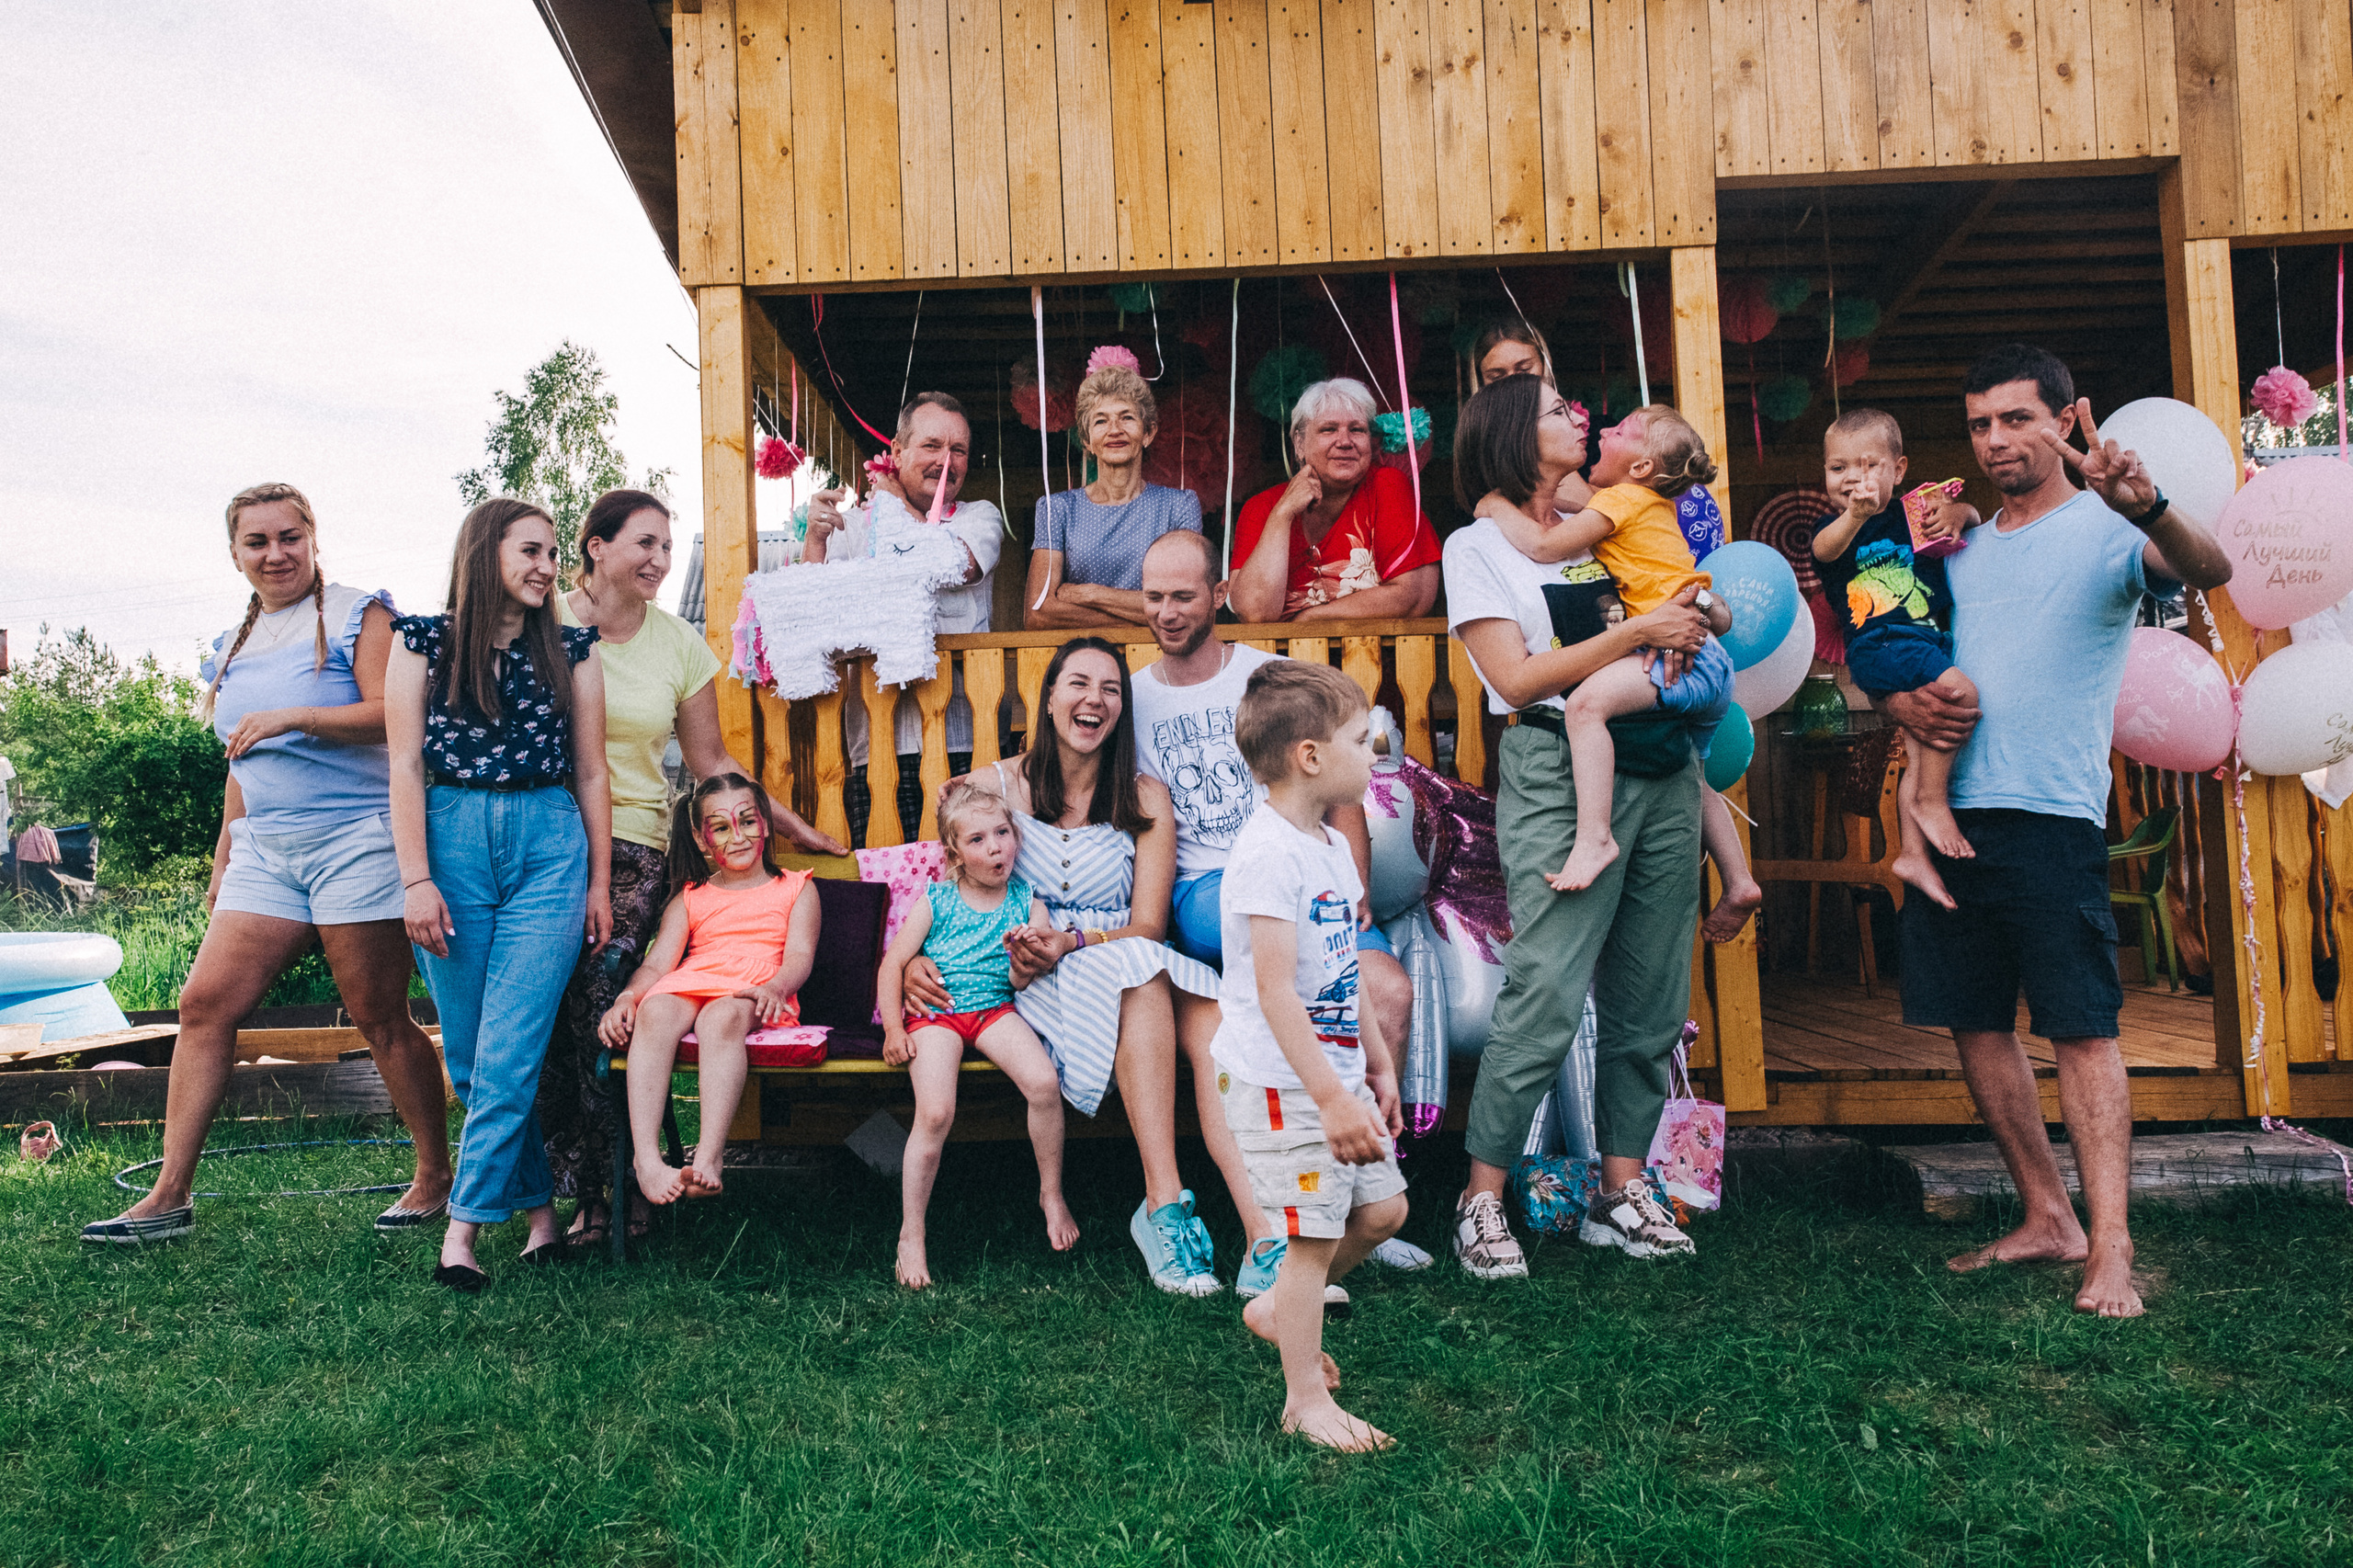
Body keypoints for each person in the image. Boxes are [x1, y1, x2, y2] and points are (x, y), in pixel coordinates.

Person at [1880, 345, 2231, 1319]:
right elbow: (1910, 650)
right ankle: (2046, 1213)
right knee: (1973, 1019)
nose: (1995, 439)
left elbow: (2211, 567)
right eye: (1980, 423)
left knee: (2080, 1029)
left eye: (2015, 419)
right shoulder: (1959, 547)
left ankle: (2110, 1247)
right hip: (1948, 812)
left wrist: (2147, 502)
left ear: (2065, 418)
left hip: (2049, 816)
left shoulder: (2108, 529)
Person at [80, 483, 453, 1245]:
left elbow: (394, 713)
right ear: (236, 554)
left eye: (289, 537)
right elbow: (238, 761)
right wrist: (226, 852)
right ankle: (169, 1194)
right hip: (267, 849)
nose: (276, 554)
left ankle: (434, 1175)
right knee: (204, 1003)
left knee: (378, 1015)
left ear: (313, 538)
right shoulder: (235, 642)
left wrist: (293, 715)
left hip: (357, 837)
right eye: (258, 542)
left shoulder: (361, 611)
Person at [1443, 375, 1716, 1278]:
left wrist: (1701, 610)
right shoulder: (1478, 546)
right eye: (1560, 410)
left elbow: (1685, 590)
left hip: (1661, 759)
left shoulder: (1613, 512)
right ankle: (1480, 1197)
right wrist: (1641, 628)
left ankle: (1621, 1188)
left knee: (1649, 992)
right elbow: (1516, 680)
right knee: (1547, 990)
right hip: (1557, 766)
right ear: (1517, 436)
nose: (1580, 418)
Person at [547, 488, 844, 1253]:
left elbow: (712, 761)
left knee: (599, 1000)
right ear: (595, 548)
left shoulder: (680, 644)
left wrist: (792, 823)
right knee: (552, 1015)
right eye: (643, 544)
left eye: (666, 549)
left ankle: (617, 1189)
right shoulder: (544, 625)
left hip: (635, 847)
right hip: (547, 842)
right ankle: (598, 1185)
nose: (657, 561)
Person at [1131, 528, 1428, 1289]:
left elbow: (1344, 782)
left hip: (1310, 875)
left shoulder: (1272, 680)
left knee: (1385, 988)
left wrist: (1352, 897)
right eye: (1154, 597)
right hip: (1211, 889)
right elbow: (1053, 758)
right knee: (1265, 998)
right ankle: (1289, 1229)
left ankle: (1362, 1197)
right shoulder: (1135, 697)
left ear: (1218, 593)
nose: (1167, 612)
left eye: (1183, 596)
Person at [933, 637, 1223, 1295]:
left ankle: (1207, 1212)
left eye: (1111, 689)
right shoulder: (992, 787)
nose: (1094, 699)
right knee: (1141, 978)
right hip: (1024, 976)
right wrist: (920, 959)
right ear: (1052, 697)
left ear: (1122, 708)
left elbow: (1147, 924)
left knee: (1170, 990)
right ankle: (1165, 1206)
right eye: (1078, 684)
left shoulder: (1145, 796)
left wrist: (1071, 941)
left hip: (1106, 950)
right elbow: (950, 886)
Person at [388, 497, 612, 1292]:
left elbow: (591, 770)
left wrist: (599, 881)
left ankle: (463, 1232)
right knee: (478, 1060)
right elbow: (406, 767)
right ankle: (540, 1215)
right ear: (485, 552)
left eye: (553, 554)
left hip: (549, 846)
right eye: (532, 551)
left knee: (512, 1048)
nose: (548, 567)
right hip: (449, 846)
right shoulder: (421, 641)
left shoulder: (574, 650)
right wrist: (416, 879)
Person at [1216, 659, 1407, 1453]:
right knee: (1312, 1240)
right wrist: (1331, 1097)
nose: (1377, 751)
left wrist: (1376, 1063)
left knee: (1383, 1211)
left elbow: (1341, 963)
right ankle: (1304, 1401)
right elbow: (1275, 992)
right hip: (1281, 1082)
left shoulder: (1328, 842)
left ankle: (1276, 1309)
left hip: (1332, 1073)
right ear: (1310, 756)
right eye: (1363, 740)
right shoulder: (1268, 855)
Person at [1478, 402, 1735, 893]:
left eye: (1619, 429)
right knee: (1696, 773)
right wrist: (1703, 607)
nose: (1600, 427)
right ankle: (1739, 879)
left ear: (1639, 469)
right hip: (1708, 659)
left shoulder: (1621, 500)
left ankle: (1595, 836)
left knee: (1585, 706)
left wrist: (1494, 506)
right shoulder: (1649, 505)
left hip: (1685, 657)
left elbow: (1543, 546)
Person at [877, 782, 1078, 1289]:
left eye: (1003, 834)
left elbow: (1017, 981)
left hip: (993, 1009)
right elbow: (893, 964)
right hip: (938, 1014)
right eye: (978, 840)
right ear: (956, 854)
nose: (995, 848)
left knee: (1043, 1084)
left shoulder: (1028, 902)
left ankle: (1050, 1193)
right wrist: (895, 1029)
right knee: (937, 1111)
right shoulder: (938, 899)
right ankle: (912, 1232)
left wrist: (1021, 955)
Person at [598, 773, 819, 1206]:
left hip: (753, 988)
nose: (737, 836)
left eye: (748, 821)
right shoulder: (691, 896)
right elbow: (660, 962)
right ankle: (647, 1159)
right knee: (656, 1012)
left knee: (720, 1017)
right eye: (721, 827)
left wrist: (775, 987)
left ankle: (710, 1156)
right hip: (694, 978)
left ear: (766, 825)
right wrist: (628, 997)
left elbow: (799, 957)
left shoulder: (796, 887)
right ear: (703, 840)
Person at [801, 392, 1005, 844]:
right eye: (932, 446)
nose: (946, 461)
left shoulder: (980, 517)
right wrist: (814, 541)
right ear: (896, 451)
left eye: (959, 450)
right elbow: (814, 620)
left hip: (968, 742)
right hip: (875, 744)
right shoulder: (850, 527)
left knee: (970, 886)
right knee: (886, 892)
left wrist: (895, 509)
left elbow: (951, 562)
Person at [1809, 410, 1983, 908]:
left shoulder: (1914, 514)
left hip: (1923, 643)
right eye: (1838, 469)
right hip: (1882, 643)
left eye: (1868, 466)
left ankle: (1911, 854)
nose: (1853, 479)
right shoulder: (1835, 527)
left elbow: (1967, 518)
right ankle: (1933, 799)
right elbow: (1824, 550)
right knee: (1962, 693)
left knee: (1920, 739)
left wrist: (1961, 512)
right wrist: (1856, 515)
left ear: (1898, 469)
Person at [1228, 379, 1442, 623]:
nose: (1344, 441)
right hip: (1284, 662)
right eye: (1328, 429)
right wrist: (1283, 514)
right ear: (1299, 444)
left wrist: (1311, 620)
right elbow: (1254, 613)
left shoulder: (1387, 485)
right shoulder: (1263, 507)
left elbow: (1411, 596)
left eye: (1357, 430)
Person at [1022, 362, 1205, 629]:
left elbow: (1187, 605)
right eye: (1100, 420)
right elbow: (1037, 613)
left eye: (1127, 417)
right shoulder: (1057, 508)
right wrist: (1133, 623)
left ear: (1148, 433)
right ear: (1086, 441)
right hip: (1082, 662)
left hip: (1158, 660)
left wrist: (1091, 594)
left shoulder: (1178, 506)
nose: (1114, 429)